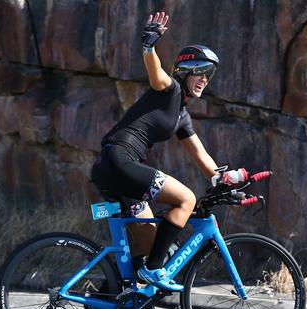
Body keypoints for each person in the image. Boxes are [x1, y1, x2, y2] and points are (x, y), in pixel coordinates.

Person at [91, 11, 239, 292]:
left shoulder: (181, 116)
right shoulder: (169, 90)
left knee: (149, 238)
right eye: (201, 72)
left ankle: (111, 299)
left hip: (115, 170)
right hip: (119, 161)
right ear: (185, 71)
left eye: (210, 75)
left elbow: (203, 159)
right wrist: (149, 47)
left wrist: (228, 181)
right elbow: (156, 74)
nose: (205, 79)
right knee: (186, 199)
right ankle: (153, 269)